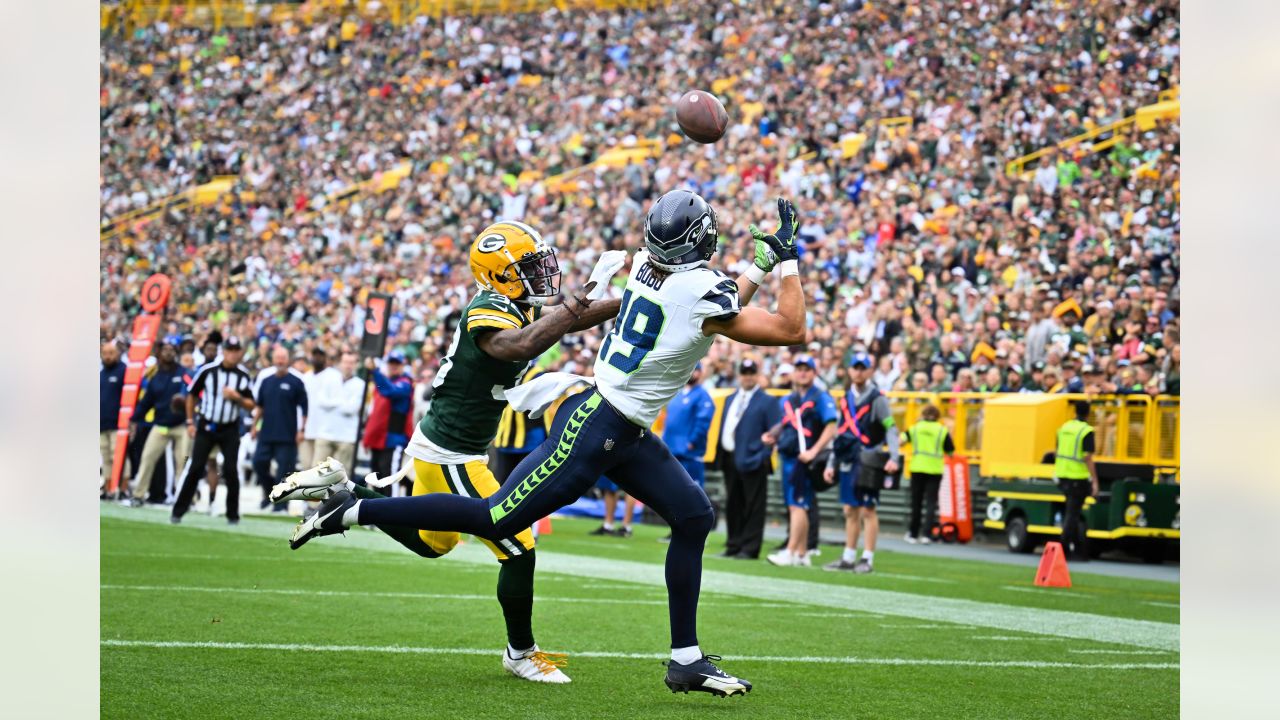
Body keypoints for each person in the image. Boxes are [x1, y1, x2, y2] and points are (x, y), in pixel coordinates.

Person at [291, 193, 807, 696]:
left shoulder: (654, 269)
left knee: (693, 517)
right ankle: (351, 509)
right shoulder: (698, 288)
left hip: (621, 426)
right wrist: (785, 264)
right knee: (497, 520)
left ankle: (686, 660)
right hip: (596, 428)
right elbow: (788, 329)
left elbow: (718, 306)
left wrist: (757, 270)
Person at [274, 220, 623, 684]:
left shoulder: (512, 303)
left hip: (451, 443)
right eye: (528, 266)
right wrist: (583, 297)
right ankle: (521, 653)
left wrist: (632, 300)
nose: (541, 274)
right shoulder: (490, 309)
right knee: (518, 545)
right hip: (452, 450)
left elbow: (558, 323)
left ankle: (347, 491)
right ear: (498, 274)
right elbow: (524, 343)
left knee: (434, 543)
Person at [823, 352, 901, 574]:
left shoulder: (878, 398)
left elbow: (890, 428)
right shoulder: (845, 398)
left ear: (869, 371)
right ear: (849, 370)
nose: (858, 371)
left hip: (869, 460)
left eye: (862, 368)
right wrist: (831, 463)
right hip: (848, 458)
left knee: (868, 509)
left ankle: (867, 557)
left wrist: (894, 457)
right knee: (850, 509)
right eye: (855, 367)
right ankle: (848, 556)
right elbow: (839, 433)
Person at [171, 336, 256, 524]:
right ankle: (178, 511)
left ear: (240, 353)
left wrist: (237, 398)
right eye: (230, 350)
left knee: (231, 471)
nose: (233, 354)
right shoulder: (208, 371)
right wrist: (190, 421)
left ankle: (232, 515)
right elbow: (192, 395)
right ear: (223, 352)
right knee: (195, 468)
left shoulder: (242, 375)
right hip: (207, 425)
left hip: (229, 428)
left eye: (236, 351)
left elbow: (251, 405)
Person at [764, 353, 838, 568]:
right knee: (798, 505)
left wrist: (814, 451)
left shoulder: (821, 397)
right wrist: (773, 436)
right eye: (799, 369)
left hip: (803, 460)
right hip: (789, 456)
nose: (803, 372)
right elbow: (786, 424)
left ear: (814, 373)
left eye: (807, 369)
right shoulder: (789, 399)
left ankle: (790, 551)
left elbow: (831, 427)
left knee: (797, 505)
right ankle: (802, 552)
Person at [716, 358, 781, 559]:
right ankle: (733, 544)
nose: (748, 377)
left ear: (758, 374)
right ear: (739, 375)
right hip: (730, 458)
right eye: (745, 373)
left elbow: (775, 432)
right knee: (733, 503)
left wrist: (763, 457)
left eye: (752, 373)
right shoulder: (730, 398)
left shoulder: (768, 401)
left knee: (753, 505)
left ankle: (750, 548)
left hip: (754, 459)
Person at [657, 361, 715, 542]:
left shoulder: (702, 396)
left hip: (689, 454)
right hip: (673, 450)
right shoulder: (678, 393)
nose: (692, 373)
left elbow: (703, 421)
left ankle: (695, 531)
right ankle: (677, 529)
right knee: (675, 494)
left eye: (695, 370)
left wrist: (692, 442)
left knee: (693, 495)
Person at [126, 342, 190, 507]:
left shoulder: (183, 373)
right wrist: (133, 418)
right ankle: (139, 495)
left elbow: (191, 390)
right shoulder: (154, 376)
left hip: (181, 425)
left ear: (176, 353)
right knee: (147, 458)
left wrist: (183, 400)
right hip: (160, 424)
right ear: (160, 353)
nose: (168, 353)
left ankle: (184, 498)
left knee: (182, 462)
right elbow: (146, 401)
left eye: (171, 350)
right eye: (165, 350)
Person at [252, 346, 309, 512]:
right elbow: (260, 406)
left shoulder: (296, 382)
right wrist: (254, 426)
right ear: (273, 360)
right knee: (258, 463)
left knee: (284, 470)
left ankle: (282, 505)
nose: (280, 361)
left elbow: (304, 409)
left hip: (288, 434)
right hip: (267, 432)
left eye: (283, 357)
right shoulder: (266, 380)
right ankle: (271, 493)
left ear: (288, 359)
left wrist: (301, 430)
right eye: (277, 358)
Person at [899, 404, 954, 544]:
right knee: (931, 503)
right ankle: (926, 535)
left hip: (917, 468)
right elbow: (951, 451)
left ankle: (912, 534)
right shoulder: (942, 430)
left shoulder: (915, 428)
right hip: (935, 470)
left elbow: (900, 441)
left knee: (916, 503)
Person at [362, 351, 414, 495]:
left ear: (403, 365)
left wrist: (374, 371)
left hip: (393, 440)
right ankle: (380, 512)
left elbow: (390, 391)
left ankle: (394, 513)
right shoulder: (385, 382)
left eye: (397, 363)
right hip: (379, 439)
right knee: (376, 478)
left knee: (390, 478)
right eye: (391, 363)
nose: (394, 366)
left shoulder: (405, 383)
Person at [1055, 400, 1100, 560]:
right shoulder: (1086, 430)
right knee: (1072, 514)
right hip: (1077, 477)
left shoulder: (1064, 427)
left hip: (1062, 475)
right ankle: (1064, 549)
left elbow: (1057, 450)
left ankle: (1078, 550)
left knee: (1071, 512)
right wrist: (1095, 481)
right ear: (1088, 413)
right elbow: (1088, 457)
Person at [312, 351, 363, 472]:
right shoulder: (329, 380)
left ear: (356, 365)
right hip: (325, 433)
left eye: (351, 363)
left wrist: (332, 403)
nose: (348, 365)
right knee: (316, 473)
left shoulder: (360, 384)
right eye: (345, 362)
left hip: (347, 437)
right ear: (340, 363)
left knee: (342, 476)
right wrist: (341, 402)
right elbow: (321, 402)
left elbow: (351, 409)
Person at [100, 341, 126, 492]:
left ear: (118, 354)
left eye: (111, 353)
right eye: (105, 353)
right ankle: (109, 489)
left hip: (119, 423)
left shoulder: (124, 371)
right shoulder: (101, 374)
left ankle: (123, 489)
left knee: (119, 456)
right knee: (106, 458)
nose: (108, 357)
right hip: (102, 423)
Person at [298, 347, 329, 469]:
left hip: (324, 432)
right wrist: (300, 428)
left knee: (318, 470)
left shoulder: (332, 376)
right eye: (315, 355)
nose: (317, 358)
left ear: (325, 358)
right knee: (306, 467)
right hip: (306, 429)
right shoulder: (305, 377)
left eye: (320, 355)